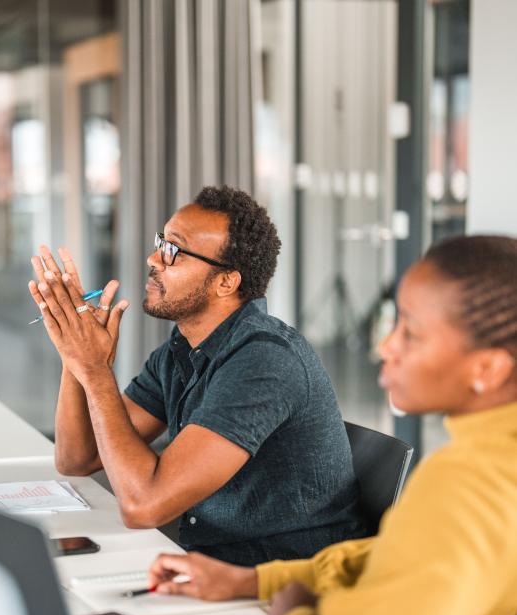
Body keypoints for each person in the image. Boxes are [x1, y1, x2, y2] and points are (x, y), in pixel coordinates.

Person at [147, 234, 517, 615]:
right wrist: (256, 581)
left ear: (488, 368)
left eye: (410, 333)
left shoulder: (468, 482)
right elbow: (403, 556)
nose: (384, 347)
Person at [28, 185, 366, 566]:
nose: (153, 258)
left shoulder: (265, 362)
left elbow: (143, 507)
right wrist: (76, 352)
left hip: (281, 588)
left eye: (173, 250)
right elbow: (77, 456)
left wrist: (94, 368)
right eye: (161, 242)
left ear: (226, 282)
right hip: (208, 567)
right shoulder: (182, 350)